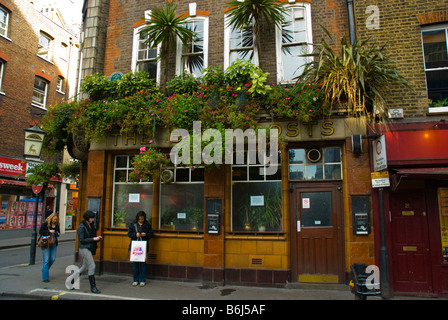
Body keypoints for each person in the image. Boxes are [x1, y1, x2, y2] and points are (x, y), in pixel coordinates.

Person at [77, 210, 102, 293]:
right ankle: (93, 287)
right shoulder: (81, 227)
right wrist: (93, 239)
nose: (92, 219)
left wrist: (97, 238)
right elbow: (82, 240)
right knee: (92, 266)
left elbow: (92, 236)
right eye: (91, 218)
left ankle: (72, 280)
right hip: (84, 248)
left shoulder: (91, 225)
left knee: (84, 266)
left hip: (89, 247)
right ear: (87, 218)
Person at [127, 211, 154, 287]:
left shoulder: (147, 225)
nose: (141, 220)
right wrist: (135, 235)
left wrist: (146, 234)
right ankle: (135, 279)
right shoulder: (133, 225)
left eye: (142, 219)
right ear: (137, 219)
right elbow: (129, 234)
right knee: (135, 263)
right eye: (140, 219)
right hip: (135, 245)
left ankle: (142, 280)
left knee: (143, 263)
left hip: (143, 245)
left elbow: (151, 234)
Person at [39, 213, 60, 282]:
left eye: (56, 219)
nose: (55, 220)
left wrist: (56, 233)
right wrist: (49, 232)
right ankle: (45, 278)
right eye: (54, 219)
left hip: (53, 243)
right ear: (51, 218)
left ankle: (44, 269)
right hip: (45, 243)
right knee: (46, 260)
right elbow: (41, 231)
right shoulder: (45, 224)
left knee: (52, 259)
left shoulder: (57, 225)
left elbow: (58, 233)